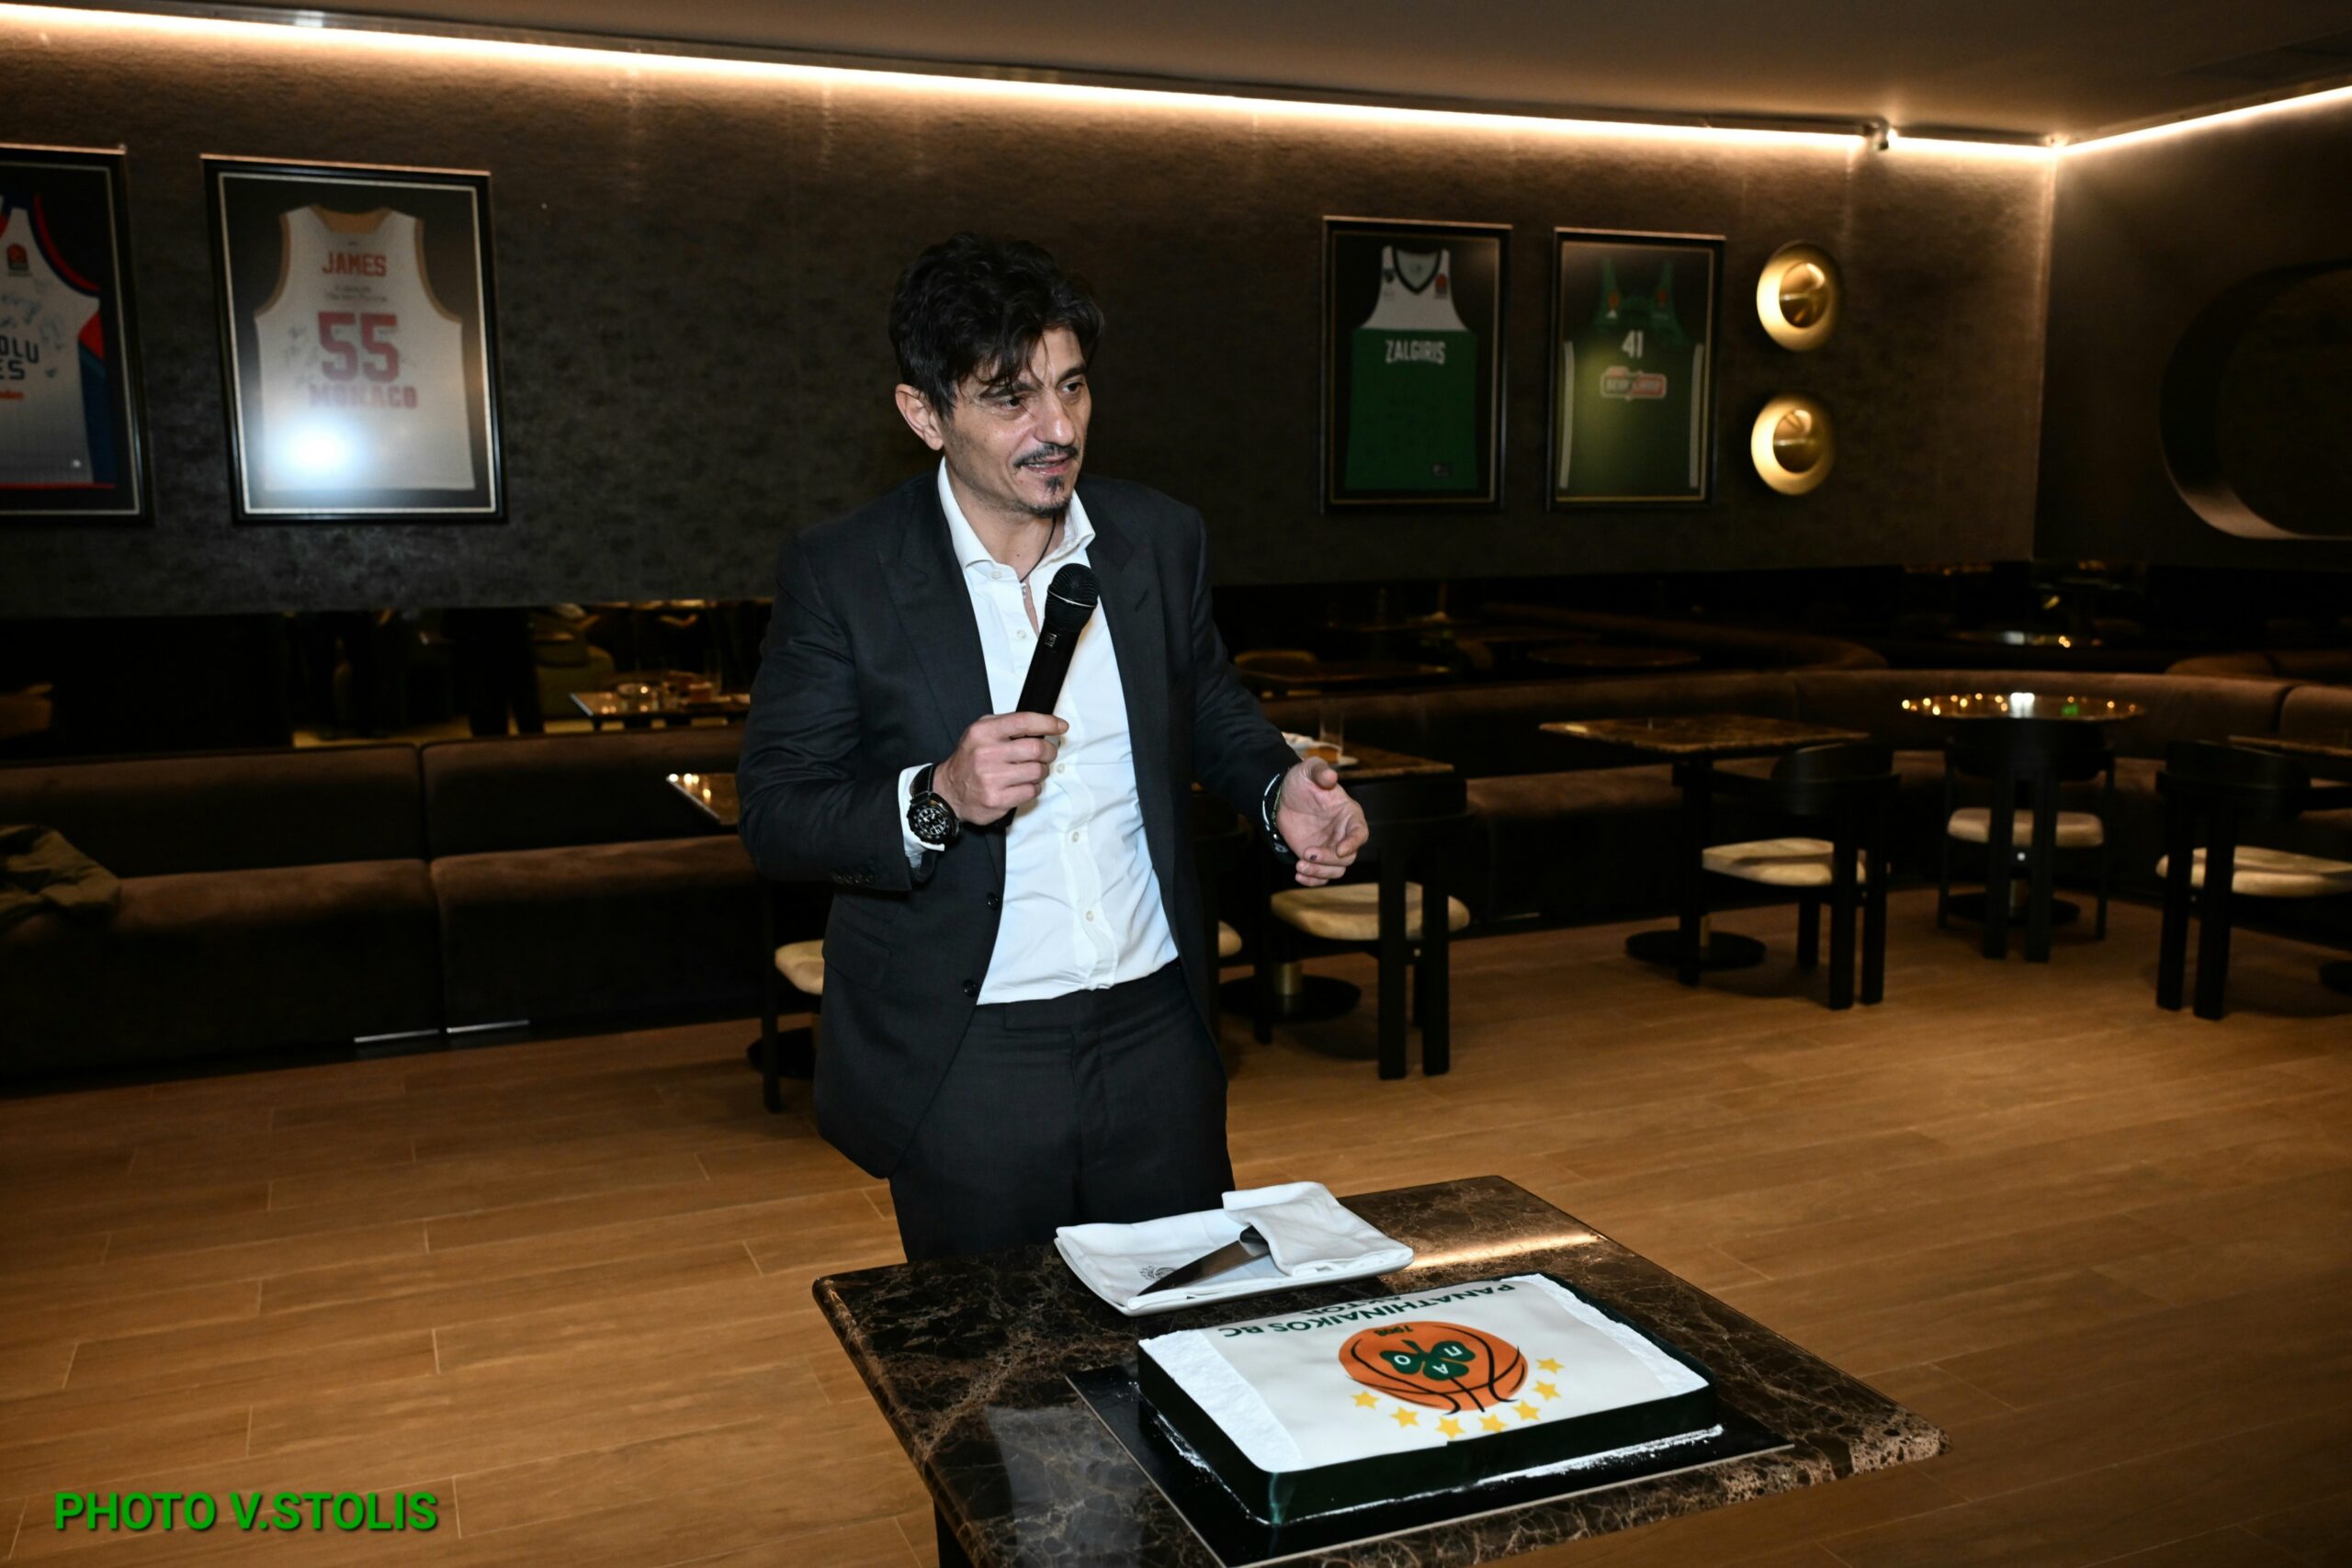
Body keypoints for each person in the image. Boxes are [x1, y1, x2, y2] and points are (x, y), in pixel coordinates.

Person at [737, 234, 1368, 1266]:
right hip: (968, 1051)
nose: (1058, 428)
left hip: (1158, 1028)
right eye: (1011, 398)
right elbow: (776, 814)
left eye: (1071, 387)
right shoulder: (845, 574)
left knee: (1179, 1327)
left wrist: (1273, 787)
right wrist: (939, 794)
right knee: (998, 1355)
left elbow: (1208, 703)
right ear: (923, 414)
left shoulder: (1155, 539)